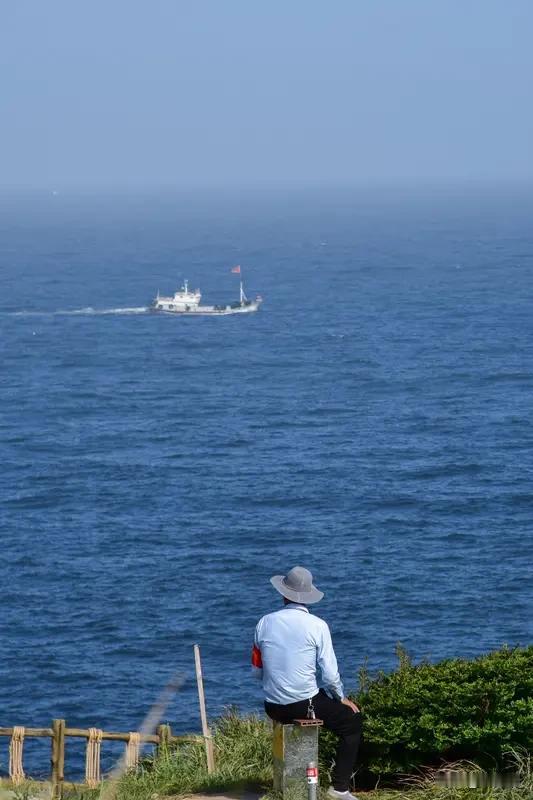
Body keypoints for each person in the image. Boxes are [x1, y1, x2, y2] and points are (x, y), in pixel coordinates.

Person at [252, 566, 362, 800]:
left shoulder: (264, 622)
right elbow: (330, 675)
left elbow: (257, 672)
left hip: (272, 706)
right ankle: (339, 788)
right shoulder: (317, 625)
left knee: (317, 701)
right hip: (304, 704)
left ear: (283, 593)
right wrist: (341, 698)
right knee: (351, 723)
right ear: (308, 596)